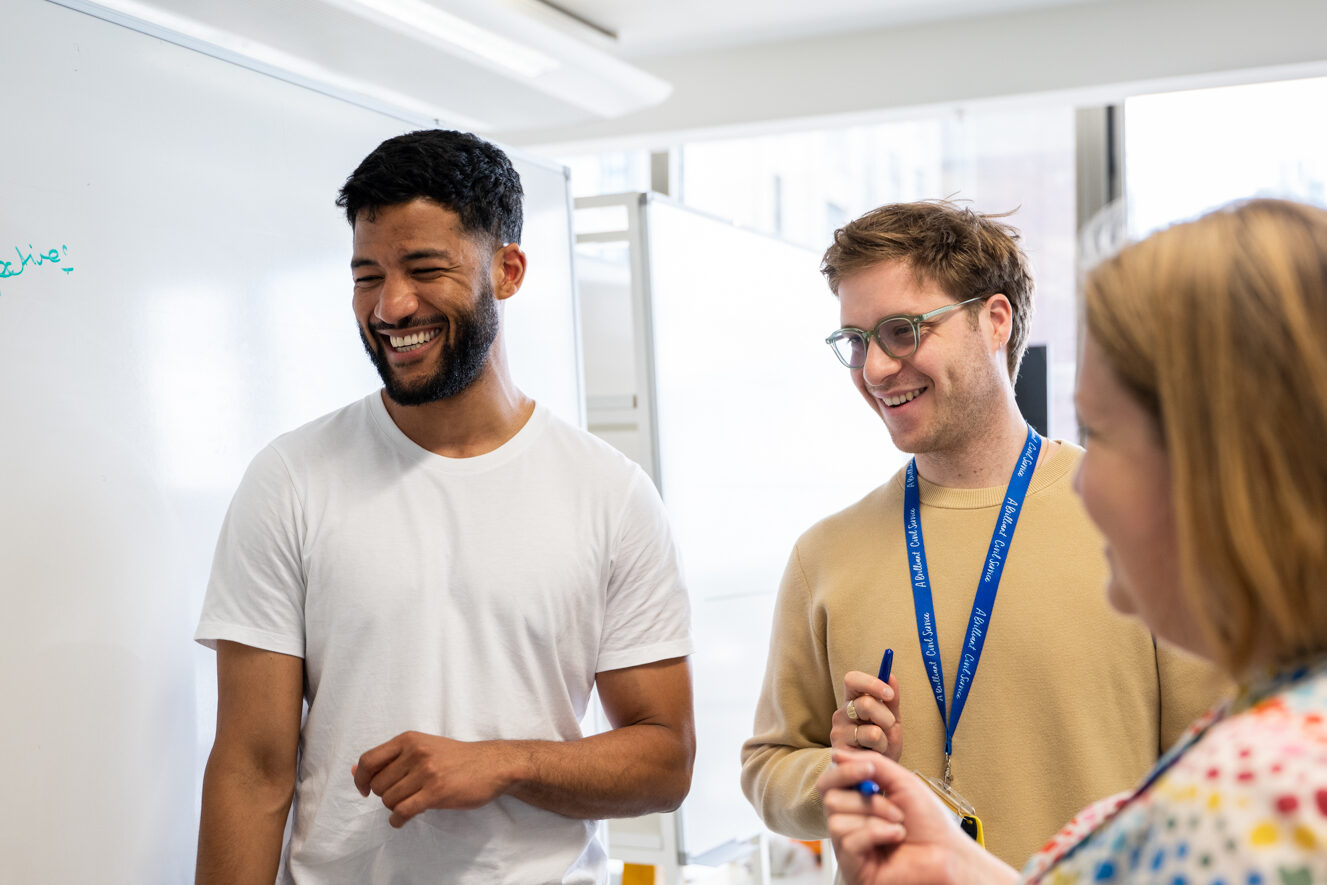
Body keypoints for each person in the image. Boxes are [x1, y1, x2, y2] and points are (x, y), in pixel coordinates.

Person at [194, 129, 695, 885]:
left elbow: (664, 759)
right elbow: (250, 769)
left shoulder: (609, 493)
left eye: (425, 269)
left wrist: (503, 762)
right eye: (368, 275)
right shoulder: (290, 479)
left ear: (509, 269)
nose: (392, 306)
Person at [818, 197, 1327, 884]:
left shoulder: (1259, 792)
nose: (1082, 484)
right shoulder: (1276, 725)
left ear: (1225, 460)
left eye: (1103, 434)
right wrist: (954, 861)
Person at [740, 200, 1222, 866]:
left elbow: (1212, 771)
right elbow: (767, 766)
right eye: (856, 341)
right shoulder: (823, 554)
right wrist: (840, 771)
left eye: (902, 330)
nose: (875, 368)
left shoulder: (1144, 520)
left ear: (994, 320)